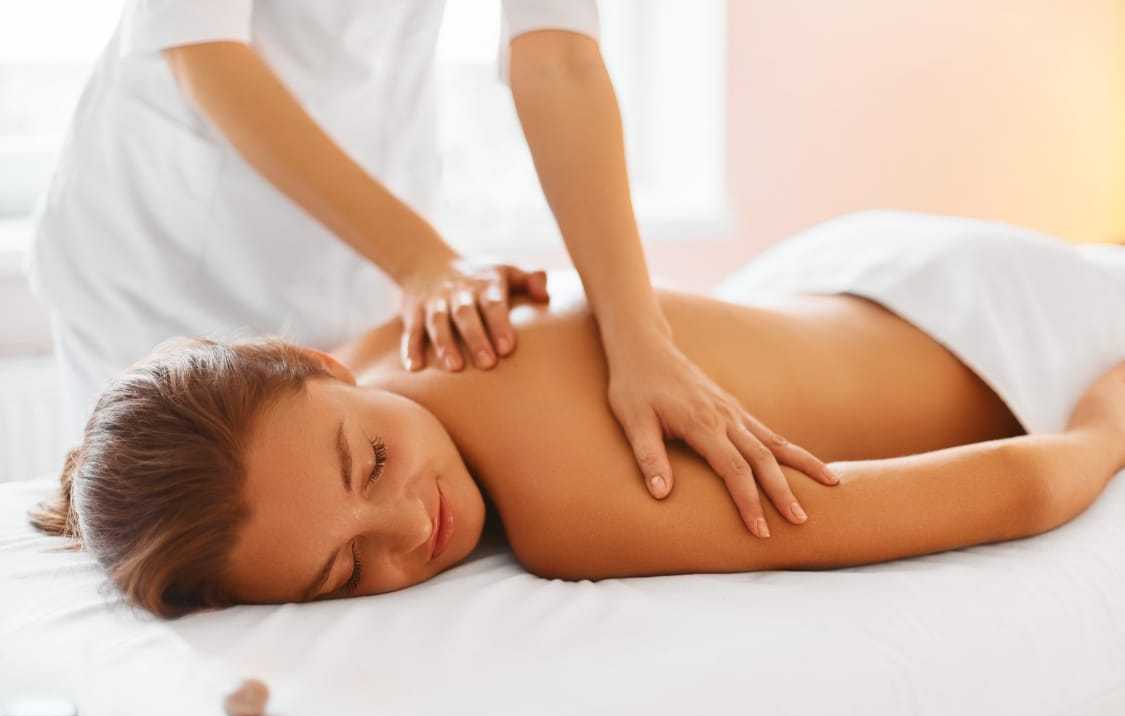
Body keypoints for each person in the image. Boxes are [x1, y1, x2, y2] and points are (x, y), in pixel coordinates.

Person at [28, 210, 1125, 617]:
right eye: (344, 575)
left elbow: (1022, 483)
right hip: (854, 258)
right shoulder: (406, 335)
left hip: (1001, 335)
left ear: (320, 363)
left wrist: (1102, 426)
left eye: (369, 466)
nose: (409, 530)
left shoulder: (577, 515)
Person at [23, 0, 830, 515]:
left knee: (325, 536)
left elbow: (557, 59)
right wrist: (422, 261)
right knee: (168, 540)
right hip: (161, 247)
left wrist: (641, 339)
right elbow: (205, 53)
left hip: (350, 242)